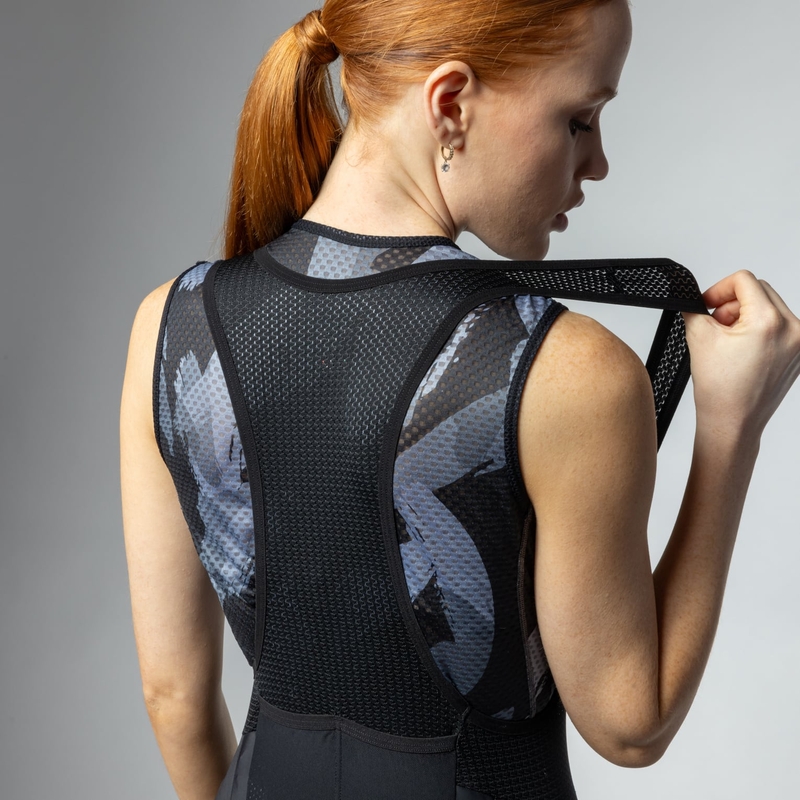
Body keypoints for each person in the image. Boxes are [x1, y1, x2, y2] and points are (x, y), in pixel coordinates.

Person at [120, 0, 800, 798]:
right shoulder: (565, 369)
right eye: (580, 119)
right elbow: (630, 723)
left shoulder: (171, 325)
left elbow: (173, 698)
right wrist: (731, 428)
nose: (598, 163)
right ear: (450, 104)